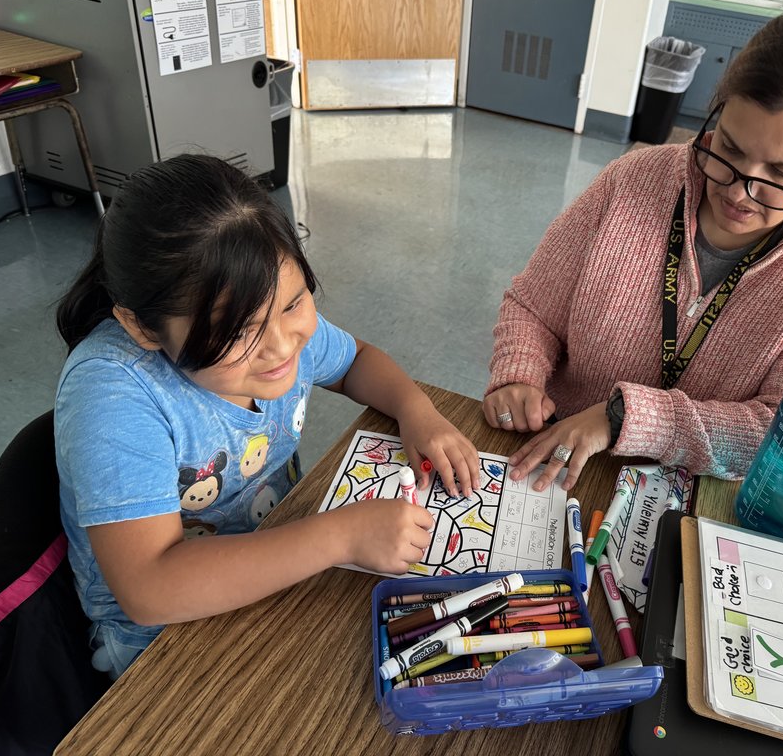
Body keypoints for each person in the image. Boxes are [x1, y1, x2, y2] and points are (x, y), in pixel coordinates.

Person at [54, 154, 479, 679]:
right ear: (143, 328)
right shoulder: (113, 395)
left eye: (295, 304)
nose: (281, 348)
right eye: (237, 332)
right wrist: (338, 538)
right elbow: (149, 588)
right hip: (163, 643)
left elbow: (355, 361)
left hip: (283, 552)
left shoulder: (272, 320)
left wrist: (419, 412)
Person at [483, 6, 783, 493]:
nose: (739, 192)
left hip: (700, 493)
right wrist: (519, 375)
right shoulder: (635, 178)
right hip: (555, 456)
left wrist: (623, 418)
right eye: (730, 148)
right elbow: (534, 307)